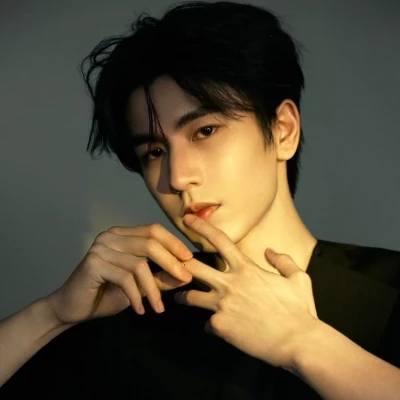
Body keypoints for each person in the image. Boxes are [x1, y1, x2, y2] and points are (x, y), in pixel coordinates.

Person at [1, 1, 399, 398]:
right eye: (154, 152)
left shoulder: (388, 292)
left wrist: (303, 342)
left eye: (205, 131)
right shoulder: (136, 310)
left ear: (283, 130)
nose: (177, 177)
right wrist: (52, 314)